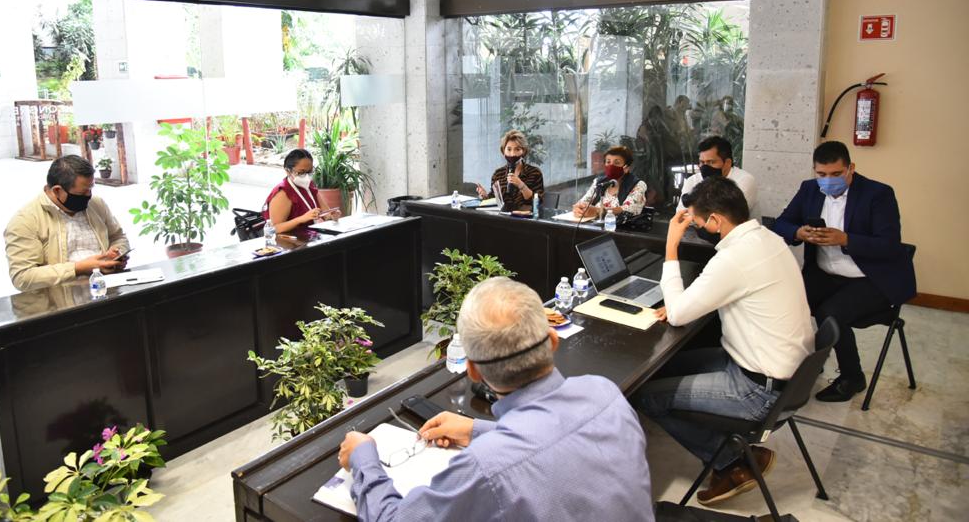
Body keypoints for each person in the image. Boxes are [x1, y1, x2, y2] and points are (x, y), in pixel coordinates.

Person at [337, 277, 655, 522]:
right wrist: (475, 430)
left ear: (473, 371)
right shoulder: (604, 393)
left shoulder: (486, 467)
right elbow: (554, 440)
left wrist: (364, 460)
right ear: (552, 341)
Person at [635, 177, 814, 506]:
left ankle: (730, 463)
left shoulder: (733, 258)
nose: (696, 227)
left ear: (716, 220)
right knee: (663, 368)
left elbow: (678, 315)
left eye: (697, 221)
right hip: (781, 372)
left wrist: (671, 246)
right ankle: (740, 453)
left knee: (645, 396)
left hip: (758, 388)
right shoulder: (769, 239)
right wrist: (682, 303)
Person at [773, 141, 915, 402]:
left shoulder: (878, 194)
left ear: (851, 168)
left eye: (836, 174)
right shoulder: (809, 189)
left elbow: (889, 245)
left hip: (871, 278)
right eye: (822, 174)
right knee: (785, 301)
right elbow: (781, 223)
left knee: (831, 313)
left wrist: (846, 239)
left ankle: (852, 377)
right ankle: (797, 365)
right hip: (825, 273)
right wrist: (798, 232)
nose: (828, 180)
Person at [5, 155, 130, 292]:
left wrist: (117, 253)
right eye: (82, 192)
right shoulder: (25, 221)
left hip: (105, 290)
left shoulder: (96, 204)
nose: (88, 195)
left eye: (90, 189)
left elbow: (118, 236)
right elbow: (23, 277)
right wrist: (78, 268)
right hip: (58, 299)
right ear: (57, 191)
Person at [262, 148, 341, 234]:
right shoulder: (283, 193)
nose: (306, 177)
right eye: (301, 173)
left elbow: (326, 213)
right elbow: (274, 228)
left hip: (310, 236)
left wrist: (332, 216)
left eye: (309, 172)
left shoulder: (310, 185)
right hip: (290, 240)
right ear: (288, 171)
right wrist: (301, 219)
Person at [677, 136, 758, 216]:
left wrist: (694, 207)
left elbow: (727, 216)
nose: (705, 167)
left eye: (711, 162)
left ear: (727, 163)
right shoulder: (692, 180)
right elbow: (681, 214)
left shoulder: (744, 180)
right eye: (702, 162)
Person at [474, 130, 544, 212]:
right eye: (509, 149)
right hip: (502, 217)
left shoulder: (535, 173)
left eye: (517, 149)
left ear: (523, 151)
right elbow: (495, 200)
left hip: (525, 217)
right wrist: (485, 196)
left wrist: (521, 185)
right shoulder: (498, 174)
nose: (513, 154)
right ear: (503, 151)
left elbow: (538, 202)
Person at [572, 145, 647, 220]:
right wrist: (578, 209)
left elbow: (629, 209)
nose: (611, 166)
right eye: (608, 162)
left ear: (626, 168)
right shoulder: (599, 182)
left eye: (617, 163)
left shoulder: (638, 185)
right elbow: (583, 202)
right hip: (593, 225)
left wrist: (598, 211)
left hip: (619, 226)